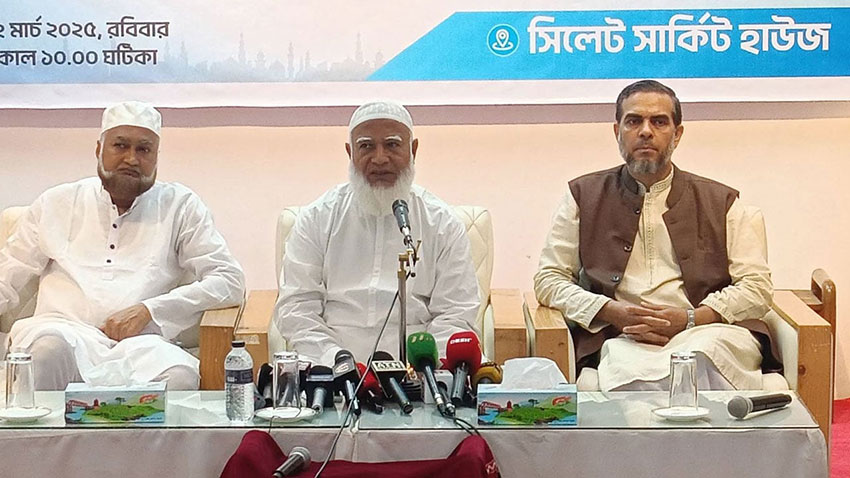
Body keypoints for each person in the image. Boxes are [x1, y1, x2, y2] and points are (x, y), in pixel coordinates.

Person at [534, 80, 774, 392]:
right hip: (622, 336)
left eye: (659, 122)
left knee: (699, 356)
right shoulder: (583, 195)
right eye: (634, 121)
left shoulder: (721, 201)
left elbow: (757, 288)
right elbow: (549, 279)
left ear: (677, 134)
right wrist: (609, 311)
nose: (646, 131)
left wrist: (691, 318)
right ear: (617, 131)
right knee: (628, 368)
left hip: (707, 331)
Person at [0, 101, 245, 390]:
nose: (131, 159)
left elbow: (229, 280)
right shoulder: (56, 203)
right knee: (46, 353)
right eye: (120, 145)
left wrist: (150, 310)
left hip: (141, 346)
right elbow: (8, 276)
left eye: (144, 149)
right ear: (99, 149)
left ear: (156, 157)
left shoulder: (180, 206)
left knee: (180, 377)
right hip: (62, 332)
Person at [274, 100, 480, 365]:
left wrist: (423, 365)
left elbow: (456, 312)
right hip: (331, 363)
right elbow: (296, 309)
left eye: (392, 145)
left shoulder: (442, 223)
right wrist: (336, 359)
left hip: (417, 366)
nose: (380, 158)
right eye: (366, 146)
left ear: (413, 150)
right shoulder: (316, 218)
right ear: (350, 152)